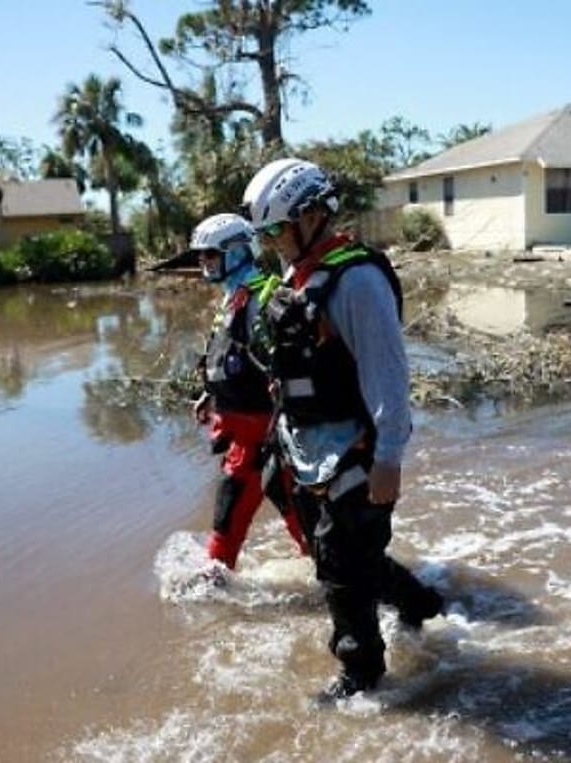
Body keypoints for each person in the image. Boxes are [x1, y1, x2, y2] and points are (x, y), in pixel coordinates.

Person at [240, 158, 444, 698]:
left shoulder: (356, 281)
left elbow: (388, 376)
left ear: (311, 216)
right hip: (309, 451)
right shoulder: (295, 276)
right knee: (345, 557)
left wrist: (389, 459)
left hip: (357, 452)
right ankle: (420, 603)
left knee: (340, 571)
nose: (271, 242)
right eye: (264, 233)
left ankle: (362, 677)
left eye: (276, 229)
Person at [189, 213, 307, 573]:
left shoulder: (262, 300)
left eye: (210, 254)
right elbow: (231, 357)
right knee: (231, 525)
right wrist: (211, 395)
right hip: (244, 441)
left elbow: (290, 371)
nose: (203, 262)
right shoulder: (232, 299)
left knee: (308, 529)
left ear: (238, 252)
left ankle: (359, 595)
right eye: (201, 255)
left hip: (271, 444)